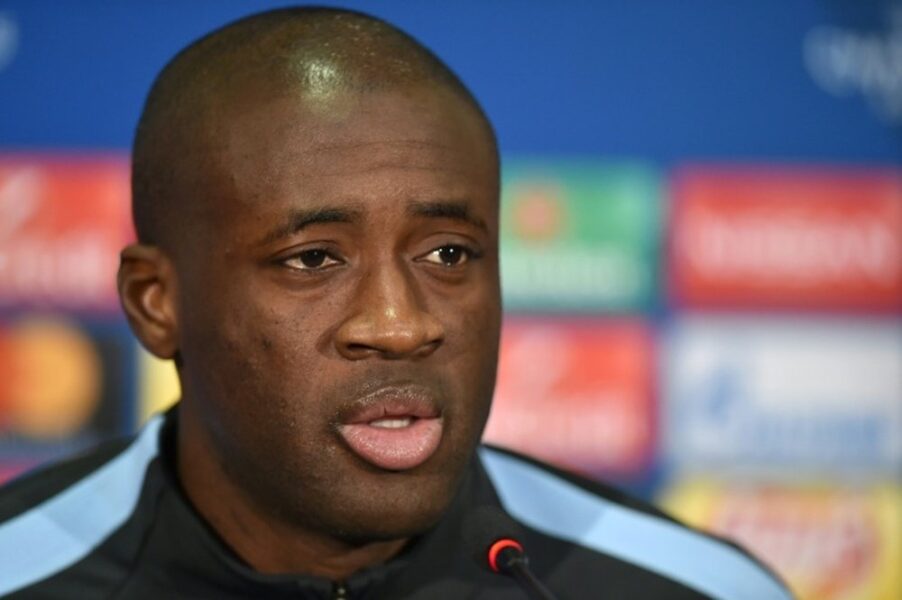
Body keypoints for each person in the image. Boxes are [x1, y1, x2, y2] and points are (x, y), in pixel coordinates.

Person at [0, 7, 792, 599]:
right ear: (156, 302)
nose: (401, 325)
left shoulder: (697, 590)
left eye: (448, 254)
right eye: (313, 259)